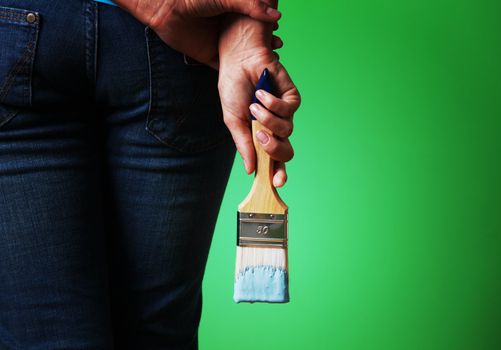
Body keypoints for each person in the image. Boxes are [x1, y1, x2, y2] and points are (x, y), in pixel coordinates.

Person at [0, 0, 299, 348]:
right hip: (182, 46)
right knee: (157, 336)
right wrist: (243, 29)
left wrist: (247, 32)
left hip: (25, 29)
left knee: (48, 337)